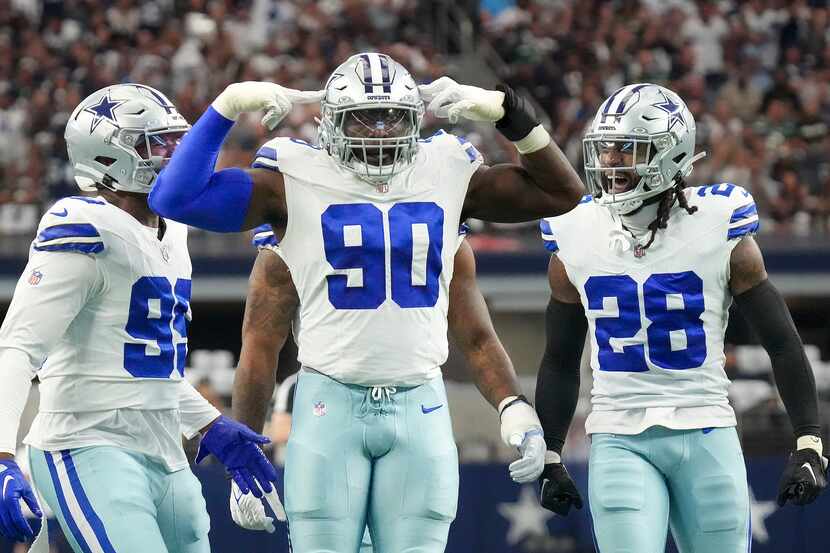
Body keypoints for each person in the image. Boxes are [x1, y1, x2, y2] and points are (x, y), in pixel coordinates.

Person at [148, 52, 584, 552]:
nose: (379, 131)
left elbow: (563, 193)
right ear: (331, 120)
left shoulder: (445, 171)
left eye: (392, 117)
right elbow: (174, 199)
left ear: (414, 119)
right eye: (363, 117)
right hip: (329, 403)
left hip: (419, 400)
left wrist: (508, 110)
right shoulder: (292, 179)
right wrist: (227, 106)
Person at [534, 83, 828, 552]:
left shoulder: (717, 223)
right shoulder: (574, 234)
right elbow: (559, 358)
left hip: (706, 426)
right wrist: (550, 451)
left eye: (627, 151)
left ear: (669, 155)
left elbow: (783, 342)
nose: (611, 165)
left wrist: (809, 440)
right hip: (618, 435)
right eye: (606, 151)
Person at [0, 84, 277, 553]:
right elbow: (18, 347)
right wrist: (2, 454)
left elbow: (147, 365)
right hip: (87, 443)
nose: (176, 154)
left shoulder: (175, 229)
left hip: (164, 447)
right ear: (107, 158)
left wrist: (209, 424)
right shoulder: (85, 225)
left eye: (177, 141)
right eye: (157, 143)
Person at [229, 222, 522, 552]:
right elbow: (259, 345)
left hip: (415, 400)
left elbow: (479, 338)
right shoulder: (296, 203)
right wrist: (243, 454)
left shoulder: (441, 198)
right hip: (332, 401)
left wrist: (515, 407)